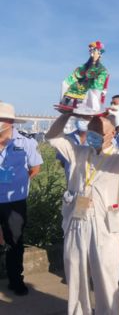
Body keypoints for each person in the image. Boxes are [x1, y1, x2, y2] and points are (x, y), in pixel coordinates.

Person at [46, 105, 119, 315]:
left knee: (106, 281)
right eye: (90, 131)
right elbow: (53, 137)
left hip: (104, 226)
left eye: (97, 132)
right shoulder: (79, 152)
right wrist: (67, 113)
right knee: (76, 279)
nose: (92, 136)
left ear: (111, 134)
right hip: (76, 220)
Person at [0, 102, 43, 295]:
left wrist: (18, 182)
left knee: (15, 242)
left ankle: (15, 280)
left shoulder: (26, 142)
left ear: (9, 121)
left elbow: (35, 168)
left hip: (14, 202)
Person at [58, 41, 109, 112]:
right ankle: (63, 103)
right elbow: (74, 76)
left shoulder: (102, 70)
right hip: (80, 87)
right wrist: (67, 82)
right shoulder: (84, 66)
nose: (92, 52)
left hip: (90, 90)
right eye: (91, 50)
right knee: (64, 83)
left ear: (99, 53)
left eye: (94, 50)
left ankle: (94, 108)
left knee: (94, 90)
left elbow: (98, 86)